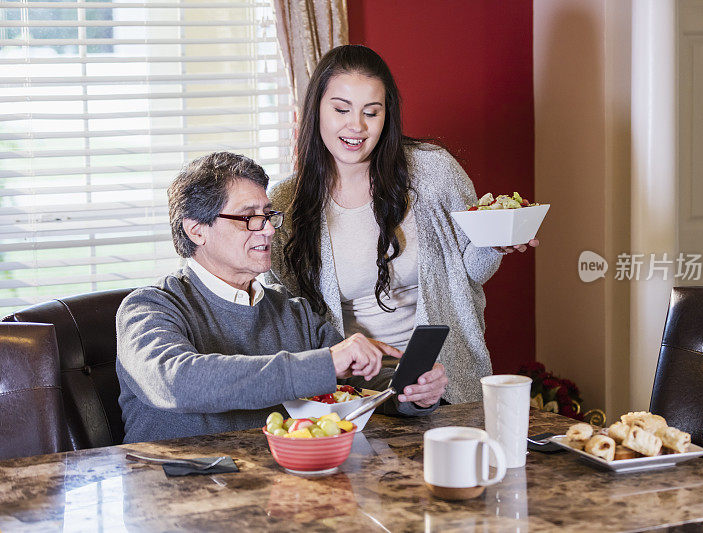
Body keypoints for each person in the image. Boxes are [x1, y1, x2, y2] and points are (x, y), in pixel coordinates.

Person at [265, 45, 537, 404]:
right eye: (341, 109)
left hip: (444, 374)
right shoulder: (286, 202)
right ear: (316, 110)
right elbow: (284, 312)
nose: (356, 126)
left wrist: (493, 242)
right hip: (352, 390)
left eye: (371, 112)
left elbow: (469, 271)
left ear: (386, 116)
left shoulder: (432, 171)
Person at [116, 152, 447, 443]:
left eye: (268, 215)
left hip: (279, 491)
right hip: (177, 496)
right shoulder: (147, 307)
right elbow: (178, 382)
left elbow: (364, 381)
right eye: (249, 217)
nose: (269, 229)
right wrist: (326, 363)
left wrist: (412, 392)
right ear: (196, 230)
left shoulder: (291, 311)